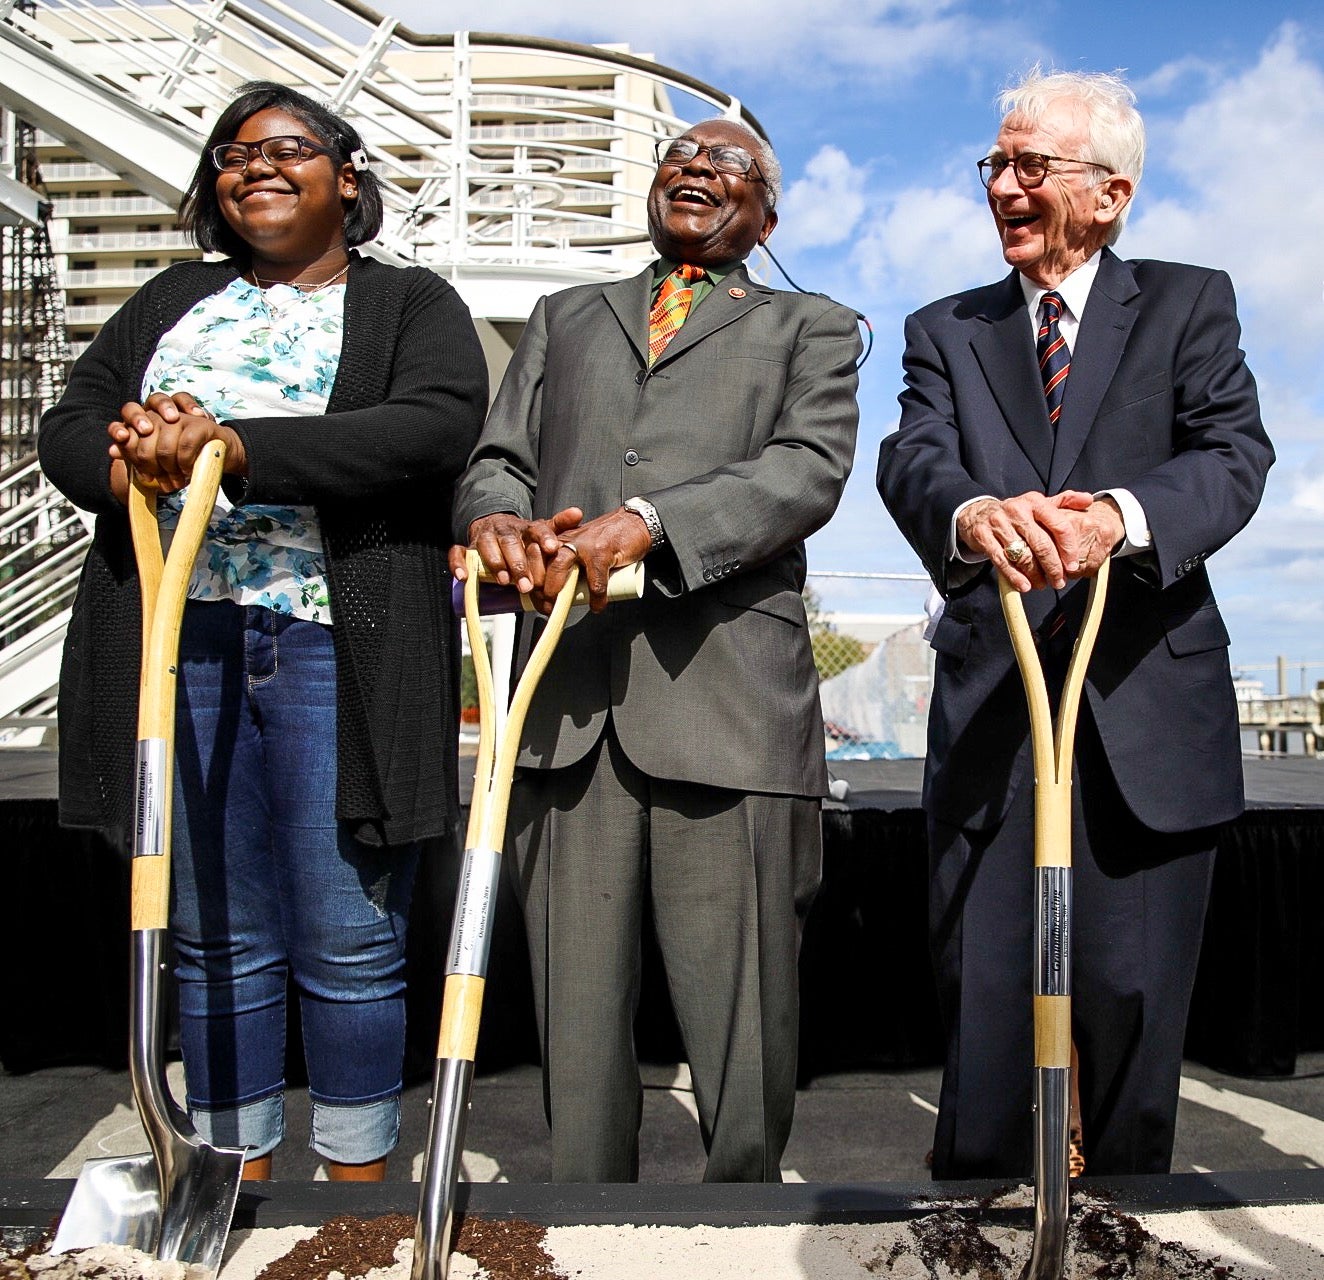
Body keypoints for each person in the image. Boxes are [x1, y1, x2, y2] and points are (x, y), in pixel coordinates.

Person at [39, 82, 488, 1181]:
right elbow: (70, 420)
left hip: (339, 642)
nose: (254, 168)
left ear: (346, 175)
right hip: (176, 641)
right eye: (232, 155)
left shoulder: (408, 301)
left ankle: (353, 1185)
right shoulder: (168, 298)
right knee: (210, 928)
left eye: (288, 147)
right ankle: (232, 1171)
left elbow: (429, 426)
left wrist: (232, 449)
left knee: (347, 930)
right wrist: (126, 459)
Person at [877, 67, 1273, 1179]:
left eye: (1028, 165)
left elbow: (1232, 457)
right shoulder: (943, 329)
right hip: (995, 721)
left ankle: (1126, 1227)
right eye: (992, 165)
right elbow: (911, 457)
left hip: (1146, 714)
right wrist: (967, 512)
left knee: (1131, 1012)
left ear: (1108, 193)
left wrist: (1115, 516)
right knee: (988, 1013)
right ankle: (979, 1227)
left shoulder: (1191, 301)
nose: (1001, 184)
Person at [449, 118, 861, 1182]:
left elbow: (807, 472)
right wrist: (497, 520)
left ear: (766, 215)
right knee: (574, 1015)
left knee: (741, 1015)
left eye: (728, 165)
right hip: (566, 703)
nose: (694, 169)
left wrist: (651, 519)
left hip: (726, 706)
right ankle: (588, 1217)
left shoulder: (810, 326)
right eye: (678, 157)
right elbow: (499, 460)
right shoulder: (563, 316)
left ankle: (742, 1223)